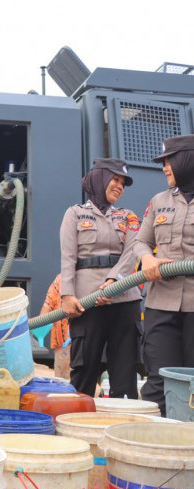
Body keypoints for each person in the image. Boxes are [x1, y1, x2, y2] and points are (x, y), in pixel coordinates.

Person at [60, 158, 141, 399]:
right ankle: (77, 425)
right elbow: (68, 257)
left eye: (123, 183)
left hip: (125, 300)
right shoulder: (75, 213)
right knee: (84, 372)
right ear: (100, 178)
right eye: (115, 179)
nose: (119, 186)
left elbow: (133, 251)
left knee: (125, 376)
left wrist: (115, 281)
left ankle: (122, 427)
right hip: (87, 303)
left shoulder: (129, 216)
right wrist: (67, 295)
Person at [135, 134, 194, 415]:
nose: (164, 167)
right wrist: (146, 258)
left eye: (169, 160)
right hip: (161, 306)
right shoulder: (159, 201)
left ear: (187, 160)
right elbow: (140, 241)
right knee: (158, 381)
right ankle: (153, 449)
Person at [38, 274, 71, 379]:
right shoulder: (60, 279)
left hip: (80, 339)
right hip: (63, 342)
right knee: (62, 380)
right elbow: (48, 304)